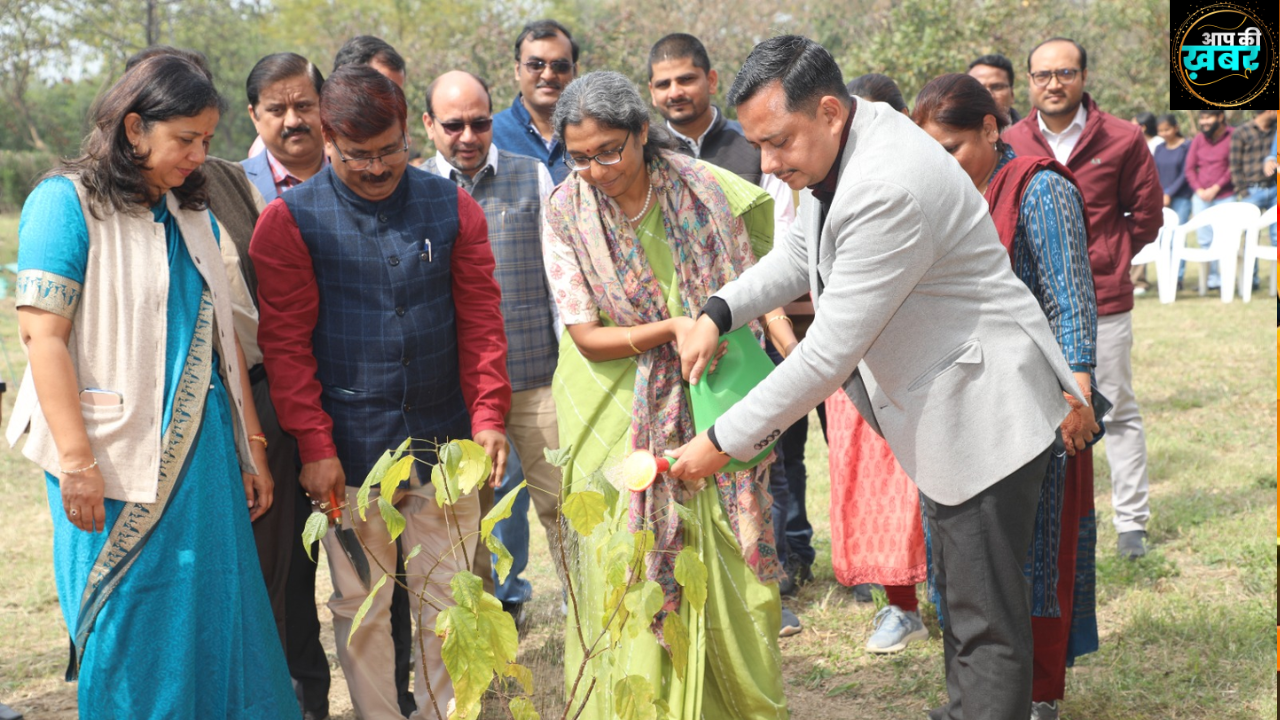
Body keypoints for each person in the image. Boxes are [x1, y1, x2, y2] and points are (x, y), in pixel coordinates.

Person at [670, 36, 1092, 720]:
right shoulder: (848, 145)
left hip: (984, 409)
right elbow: (800, 254)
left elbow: (827, 353)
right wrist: (721, 309)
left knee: (986, 616)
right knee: (961, 594)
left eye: (778, 143)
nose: (770, 167)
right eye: (759, 148)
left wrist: (720, 441)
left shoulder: (885, 184)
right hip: (948, 405)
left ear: (830, 111)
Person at [5, 54, 298, 719]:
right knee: (129, 628)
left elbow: (223, 343)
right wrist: (76, 461)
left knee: (218, 615)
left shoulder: (188, 214)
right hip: (108, 466)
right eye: (185, 140)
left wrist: (252, 449)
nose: (199, 155)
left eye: (205, 140)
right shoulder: (64, 202)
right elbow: (42, 338)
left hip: (205, 465)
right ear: (134, 129)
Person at [250, 65, 511, 720]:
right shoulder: (288, 223)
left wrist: (488, 416)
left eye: (389, 150)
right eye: (357, 155)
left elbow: (482, 320)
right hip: (347, 456)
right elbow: (287, 350)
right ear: (328, 140)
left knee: (448, 602)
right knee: (361, 611)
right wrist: (314, 444)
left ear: (409, 134)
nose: (375, 168)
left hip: (445, 444)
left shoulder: (452, 206)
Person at [543, 70, 795, 717]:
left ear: (642, 133)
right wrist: (676, 325)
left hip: (712, 392)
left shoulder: (707, 191)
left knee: (733, 561)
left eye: (610, 151)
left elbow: (755, 285)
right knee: (622, 561)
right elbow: (586, 334)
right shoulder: (565, 210)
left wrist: (765, 338)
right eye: (580, 157)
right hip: (614, 403)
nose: (596, 170)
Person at [124, 43, 334, 720]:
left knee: (278, 581)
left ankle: (296, 700)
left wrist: (258, 433)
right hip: (153, 426)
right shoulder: (98, 206)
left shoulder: (220, 183)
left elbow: (257, 310)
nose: (194, 147)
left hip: (253, 404)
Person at [914, 73, 1100, 720]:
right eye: (930, 151)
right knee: (964, 563)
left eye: (953, 147)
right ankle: (974, 696)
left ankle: (1031, 696)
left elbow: (1070, 299)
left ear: (992, 129)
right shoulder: (946, 197)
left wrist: (1078, 392)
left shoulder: (1040, 189)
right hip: (958, 406)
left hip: (1033, 407)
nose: (943, 163)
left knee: (1026, 553)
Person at [645, 32, 804, 636]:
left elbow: (768, 255)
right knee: (687, 464)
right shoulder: (642, 158)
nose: (674, 91)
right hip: (672, 345)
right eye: (661, 83)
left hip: (740, 332)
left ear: (711, 80)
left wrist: (776, 329)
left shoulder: (751, 149)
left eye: (685, 79)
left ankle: (773, 577)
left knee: (763, 455)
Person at [1004, 37, 1163, 560]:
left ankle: (1131, 522)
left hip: (1104, 298)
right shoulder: (1010, 139)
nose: (1054, 83)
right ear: (1029, 81)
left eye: (1065, 73)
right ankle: (1049, 524)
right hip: (1028, 306)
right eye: (1042, 74)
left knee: (1113, 408)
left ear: (1084, 76)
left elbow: (1146, 215)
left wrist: (1106, 258)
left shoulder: (1123, 137)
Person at [422, 69, 563, 622]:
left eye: (480, 123)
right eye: (453, 124)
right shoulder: (417, 193)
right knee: (466, 524)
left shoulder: (535, 178)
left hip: (537, 382)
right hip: (456, 399)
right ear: (429, 125)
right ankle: (485, 634)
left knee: (565, 509)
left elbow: (560, 285)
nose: (468, 136)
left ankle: (594, 622)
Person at [824, 71, 925, 644]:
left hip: (919, 359)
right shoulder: (820, 186)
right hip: (852, 363)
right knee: (869, 489)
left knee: (925, 487)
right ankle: (901, 606)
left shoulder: (922, 178)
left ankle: (950, 598)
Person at [492, 19, 578, 183]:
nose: (548, 75)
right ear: (518, 70)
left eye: (560, 65)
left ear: (575, 71)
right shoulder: (490, 135)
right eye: (536, 65)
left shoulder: (595, 132)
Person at [242, 53, 327, 201]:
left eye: (303, 106)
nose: (293, 122)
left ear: (325, 105)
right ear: (254, 116)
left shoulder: (358, 173)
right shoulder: (233, 185)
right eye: (277, 110)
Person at [1182, 109, 1235, 290]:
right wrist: (1199, 189)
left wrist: (1216, 187)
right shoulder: (1198, 139)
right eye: (1202, 118)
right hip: (1201, 197)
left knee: (1227, 238)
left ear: (1220, 117)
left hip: (1226, 195)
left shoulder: (1234, 136)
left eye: (1208, 117)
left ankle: (1226, 279)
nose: (1204, 122)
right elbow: (1189, 169)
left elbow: (1233, 167)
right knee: (1205, 240)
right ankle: (1210, 280)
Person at [1229, 109, 1277, 280]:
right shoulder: (1242, 131)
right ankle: (1251, 280)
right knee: (1250, 235)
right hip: (1251, 190)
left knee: (1276, 235)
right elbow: (1234, 164)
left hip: (1274, 189)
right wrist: (1244, 191)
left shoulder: (1277, 130)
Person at [1154, 114, 1193, 225]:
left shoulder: (1186, 146)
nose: (1164, 133)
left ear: (1176, 128)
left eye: (1167, 129)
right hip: (1161, 197)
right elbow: (1154, 171)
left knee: (1178, 232)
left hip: (1181, 196)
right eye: (1160, 131)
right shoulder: (1159, 148)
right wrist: (1160, 194)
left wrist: (1169, 194)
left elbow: (1185, 173)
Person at [968, 53, 1021, 124]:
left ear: (1012, 95)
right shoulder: (950, 133)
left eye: (996, 87)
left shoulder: (1033, 134)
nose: (988, 95)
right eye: (978, 88)